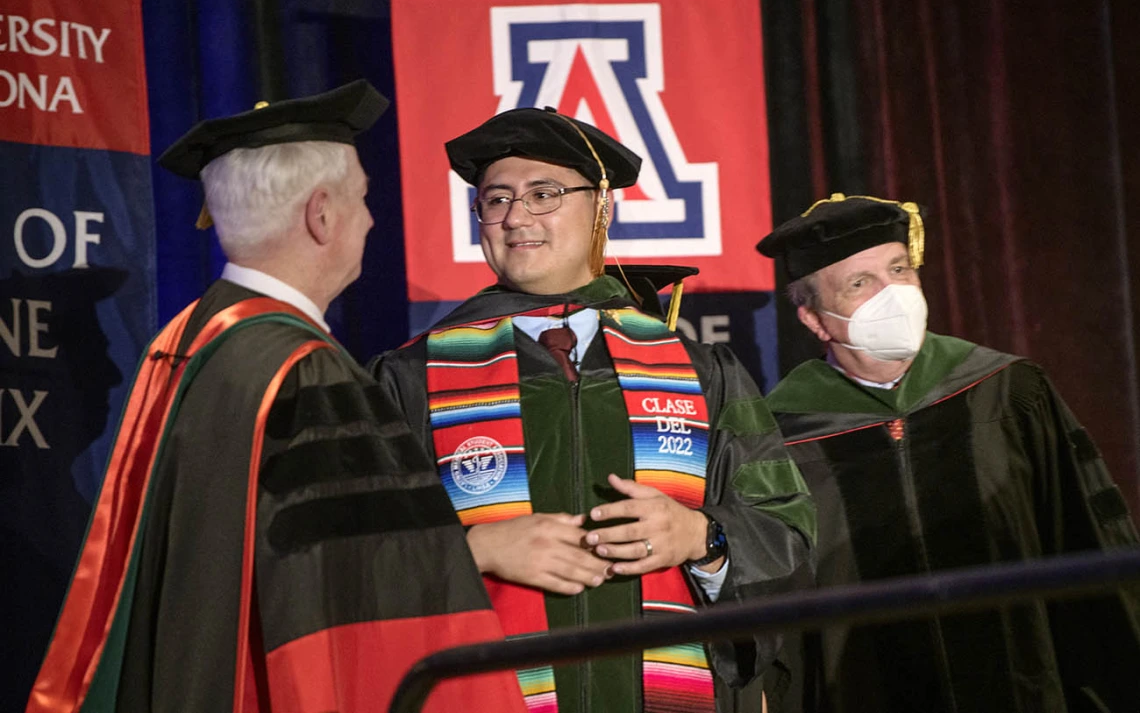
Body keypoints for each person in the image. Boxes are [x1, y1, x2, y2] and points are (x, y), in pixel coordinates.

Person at [27, 81, 525, 713]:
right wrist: (488, 548)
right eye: (364, 200)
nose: (371, 220)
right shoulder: (305, 372)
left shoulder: (186, 339)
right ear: (321, 213)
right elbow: (331, 569)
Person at [372, 107, 816, 713]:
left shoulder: (699, 371)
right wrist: (476, 551)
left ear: (602, 209)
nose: (515, 216)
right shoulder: (412, 377)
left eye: (544, 194)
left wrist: (703, 537)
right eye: (495, 199)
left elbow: (787, 536)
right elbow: (354, 558)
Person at [756, 193, 1140, 713]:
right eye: (859, 283)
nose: (891, 295)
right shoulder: (783, 436)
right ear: (815, 319)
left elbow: (1087, 541)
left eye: (899, 269)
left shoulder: (1007, 391)